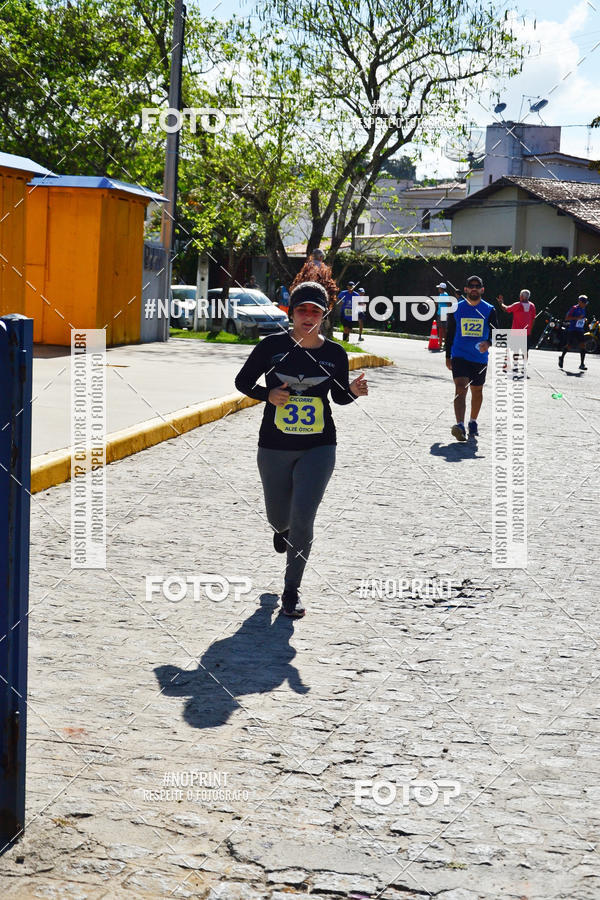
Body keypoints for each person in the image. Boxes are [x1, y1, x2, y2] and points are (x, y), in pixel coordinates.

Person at [234, 281, 368, 618]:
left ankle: (291, 590)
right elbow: (242, 382)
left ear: (324, 315)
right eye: (302, 310)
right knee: (279, 517)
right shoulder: (271, 346)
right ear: (291, 312)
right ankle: (283, 531)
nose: (308, 316)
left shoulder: (334, 353)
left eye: (315, 311)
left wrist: (353, 390)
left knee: (304, 518)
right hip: (274, 445)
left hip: (318, 446)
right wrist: (268, 395)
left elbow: (338, 397)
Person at [445, 274, 498, 442]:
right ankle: (459, 425)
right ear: (466, 289)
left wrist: (488, 343)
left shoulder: (489, 309)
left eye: (477, 286)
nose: (474, 288)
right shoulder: (456, 308)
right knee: (460, 387)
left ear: (482, 289)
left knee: (477, 390)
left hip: (479, 358)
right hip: (459, 354)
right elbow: (450, 333)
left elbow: (497, 333)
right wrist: (448, 355)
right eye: (471, 286)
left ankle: (473, 421)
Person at [497, 289, 536, 370]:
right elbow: (533, 319)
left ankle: (514, 365)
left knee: (515, 349)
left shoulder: (518, 305)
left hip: (517, 331)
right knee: (525, 350)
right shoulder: (532, 306)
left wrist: (501, 303)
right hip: (527, 332)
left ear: (521, 296)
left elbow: (506, 309)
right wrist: (531, 330)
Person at [559, 295, 590, 371]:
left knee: (583, 345)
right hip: (572, 329)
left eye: (586, 303)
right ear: (579, 302)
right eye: (584, 303)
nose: (585, 304)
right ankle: (561, 357)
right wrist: (577, 318)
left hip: (580, 330)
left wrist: (584, 319)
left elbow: (582, 317)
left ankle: (582, 364)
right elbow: (567, 318)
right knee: (569, 346)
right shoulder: (574, 308)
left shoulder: (584, 308)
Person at [435, 282, 452, 349]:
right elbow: (437, 303)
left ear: (442, 288)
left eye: (439, 288)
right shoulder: (441, 294)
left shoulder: (445, 295)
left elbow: (448, 304)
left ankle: (444, 344)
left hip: (443, 313)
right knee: (440, 329)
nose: (438, 289)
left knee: (443, 329)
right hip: (440, 313)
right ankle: (441, 344)